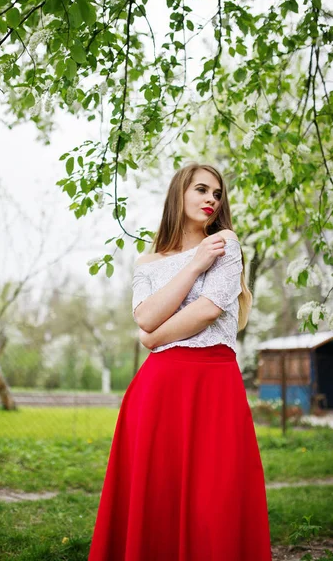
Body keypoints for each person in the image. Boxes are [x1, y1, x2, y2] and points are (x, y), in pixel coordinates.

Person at [88, 162, 272, 561]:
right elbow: (144, 316)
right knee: (157, 491)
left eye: (217, 194)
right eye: (202, 190)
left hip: (213, 383)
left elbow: (205, 311)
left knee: (216, 494)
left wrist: (152, 336)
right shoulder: (147, 261)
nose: (211, 199)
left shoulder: (224, 242)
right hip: (158, 388)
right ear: (179, 194)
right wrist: (193, 266)